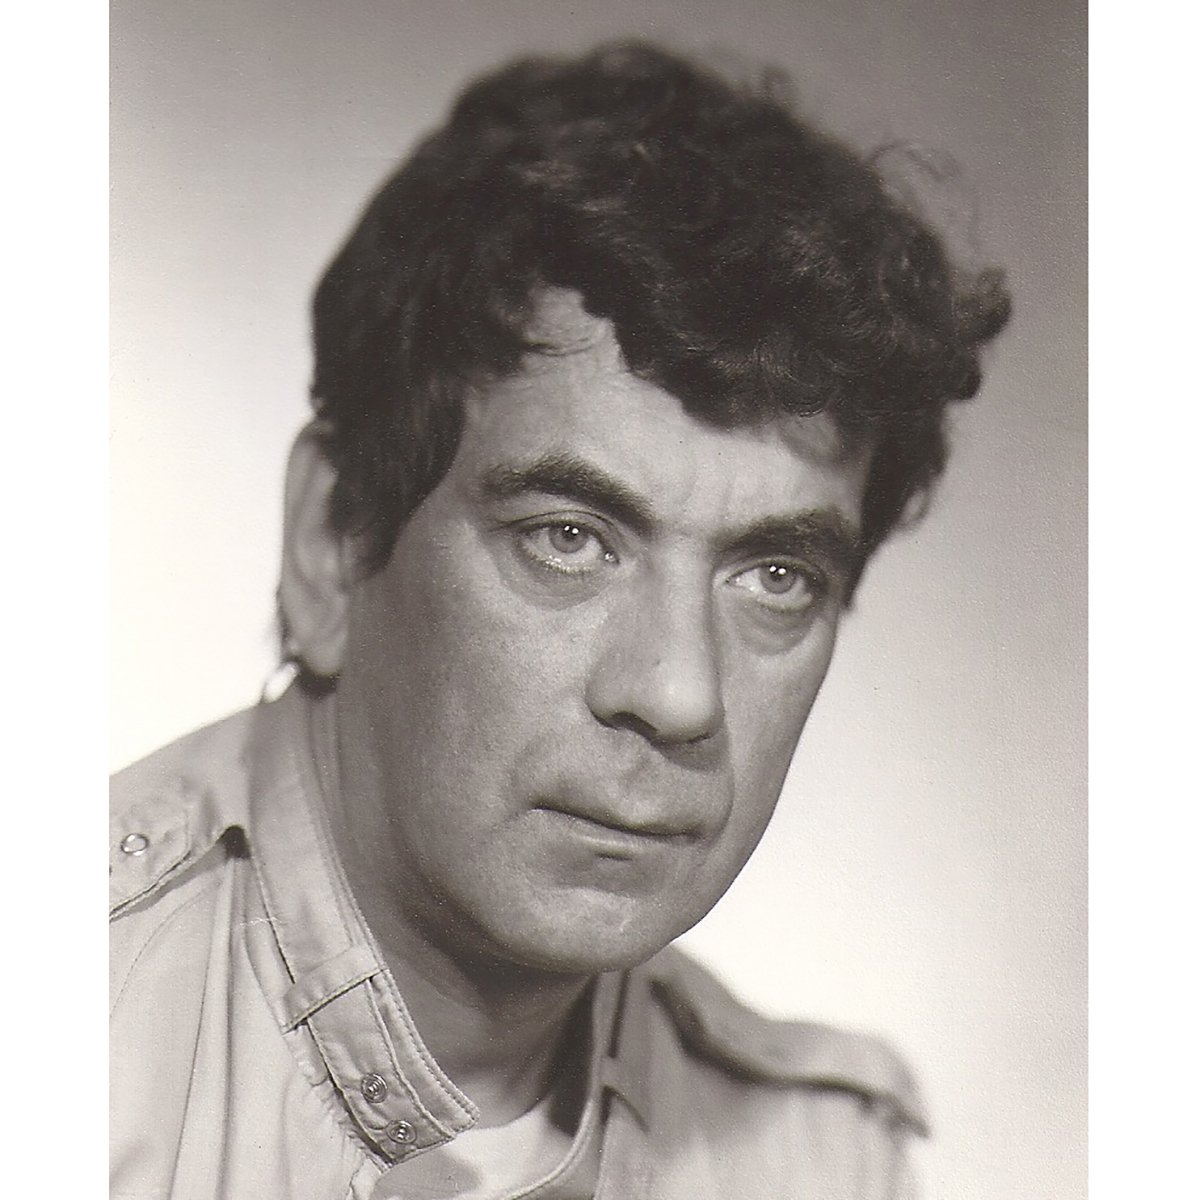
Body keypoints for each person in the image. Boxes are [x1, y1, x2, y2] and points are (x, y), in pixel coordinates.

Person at [110, 40, 1010, 1200]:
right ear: (333, 542)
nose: (677, 694)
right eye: (569, 539)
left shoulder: (820, 1164)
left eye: (776, 576)